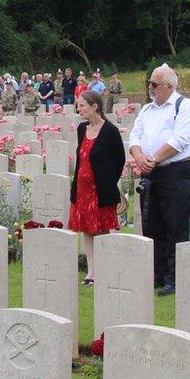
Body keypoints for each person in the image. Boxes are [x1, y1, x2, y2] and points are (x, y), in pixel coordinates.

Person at [129, 64, 190, 296]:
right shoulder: (148, 109)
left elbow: (180, 139)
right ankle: (157, 275)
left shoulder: (184, 106)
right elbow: (135, 135)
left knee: (175, 224)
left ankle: (175, 278)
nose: (151, 87)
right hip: (151, 170)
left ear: (169, 86)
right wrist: (139, 157)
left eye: (155, 84)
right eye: (150, 83)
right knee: (153, 224)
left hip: (176, 170)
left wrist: (155, 159)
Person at [69, 90, 126, 285]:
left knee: (101, 229)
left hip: (100, 191)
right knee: (86, 229)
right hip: (81, 190)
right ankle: (91, 272)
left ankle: (103, 270)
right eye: (78, 105)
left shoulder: (110, 131)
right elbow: (82, 157)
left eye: (82, 105)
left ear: (95, 107)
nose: (79, 109)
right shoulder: (81, 129)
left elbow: (119, 160)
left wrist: (108, 181)